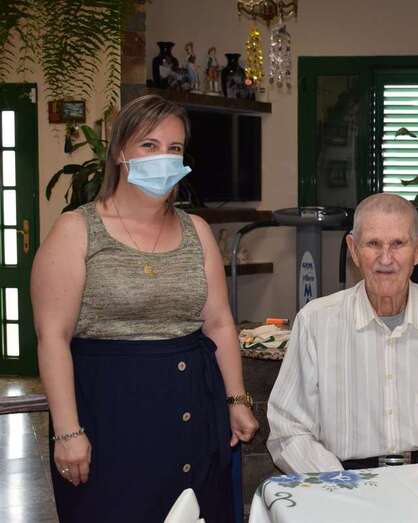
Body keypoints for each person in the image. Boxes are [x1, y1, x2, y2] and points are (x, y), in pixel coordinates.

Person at [31, 94, 259, 522]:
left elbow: (220, 324)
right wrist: (67, 431)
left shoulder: (198, 231)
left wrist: (237, 399)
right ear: (120, 152)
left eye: (174, 148)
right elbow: (52, 337)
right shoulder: (77, 230)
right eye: (149, 145)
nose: (164, 157)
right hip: (110, 412)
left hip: (195, 406)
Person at [267, 194, 418, 473]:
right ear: (354, 249)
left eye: (398, 244)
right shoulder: (315, 323)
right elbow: (288, 429)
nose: (386, 259)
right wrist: (338, 485)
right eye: (373, 244)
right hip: (341, 480)